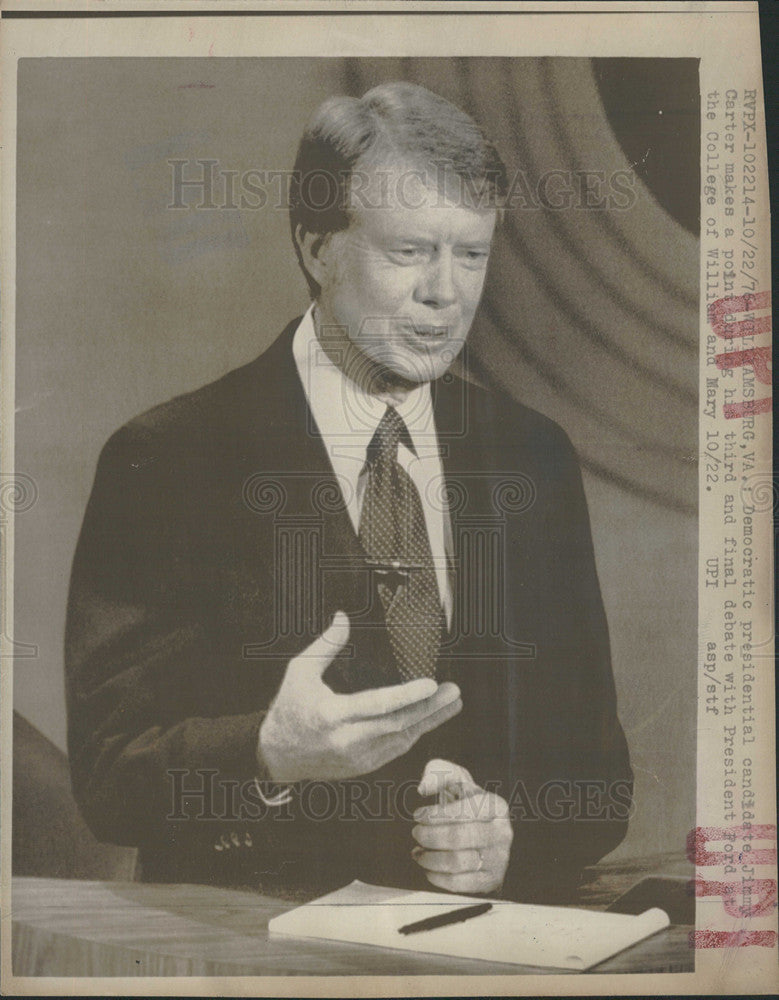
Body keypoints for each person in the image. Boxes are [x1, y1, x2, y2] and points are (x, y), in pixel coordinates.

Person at [66, 81, 632, 903]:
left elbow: (599, 782)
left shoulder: (532, 456)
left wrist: (506, 837)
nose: (447, 294)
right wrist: (267, 753)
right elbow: (111, 777)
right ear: (315, 249)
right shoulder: (168, 458)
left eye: (470, 254)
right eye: (408, 253)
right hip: (254, 952)